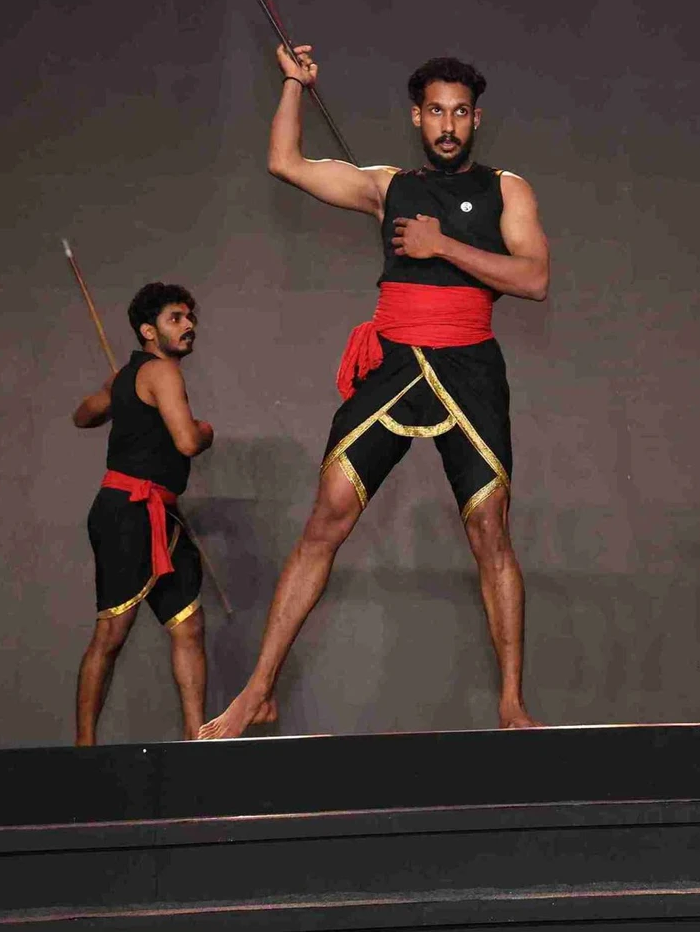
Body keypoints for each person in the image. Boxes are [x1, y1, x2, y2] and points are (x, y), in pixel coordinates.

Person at [202, 45, 549, 739]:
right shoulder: (387, 186)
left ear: (475, 118)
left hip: (469, 370)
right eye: (435, 113)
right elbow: (286, 164)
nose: (447, 125)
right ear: (416, 117)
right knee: (325, 517)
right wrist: (293, 86)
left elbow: (534, 278)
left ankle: (511, 705)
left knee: (490, 533)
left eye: (459, 113)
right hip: (394, 366)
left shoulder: (508, 189)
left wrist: (442, 245)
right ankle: (258, 692)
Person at [72, 282, 217, 744]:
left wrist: (119, 395)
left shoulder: (129, 377)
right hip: (129, 512)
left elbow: (84, 415)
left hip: (157, 514)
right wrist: (206, 430)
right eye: (177, 318)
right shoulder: (162, 373)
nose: (189, 325)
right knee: (113, 631)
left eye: (190, 317)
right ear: (148, 331)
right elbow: (188, 443)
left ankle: (198, 741)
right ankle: (84, 747)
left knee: (188, 625)